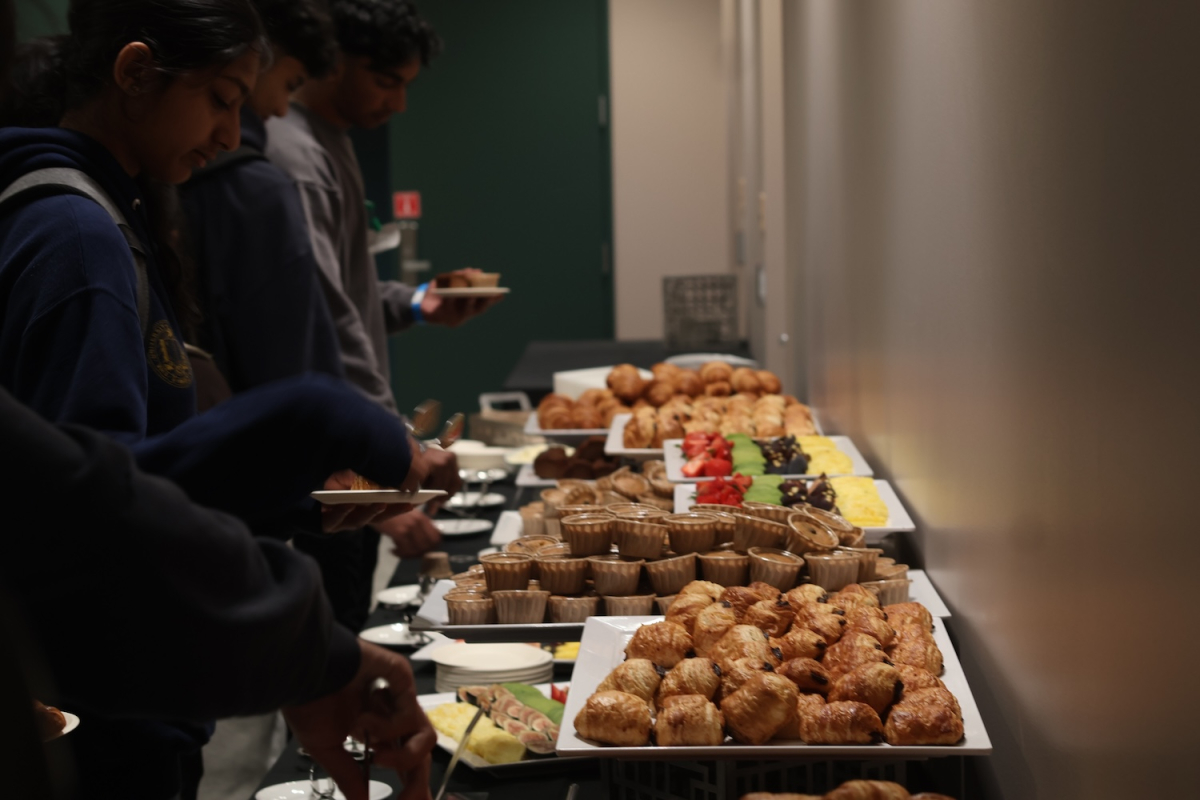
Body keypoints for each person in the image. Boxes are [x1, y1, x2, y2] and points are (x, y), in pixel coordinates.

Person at [1, 377, 437, 800]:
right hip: (124, 711)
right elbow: (78, 523)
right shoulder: (87, 299)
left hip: (153, 691)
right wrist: (317, 415)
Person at [266, 0, 499, 631]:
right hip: (331, 451)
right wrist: (391, 452)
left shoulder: (330, 141)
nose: (397, 105)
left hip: (350, 439)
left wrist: (417, 304)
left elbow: (353, 291)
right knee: (335, 636)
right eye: (385, 81)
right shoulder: (296, 155)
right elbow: (323, 322)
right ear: (332, 61)